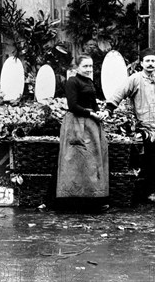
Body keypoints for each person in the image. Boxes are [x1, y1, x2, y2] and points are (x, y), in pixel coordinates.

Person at [105, 48, 155, 203]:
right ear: (142, 63)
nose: (150, 64)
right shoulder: (135, 79)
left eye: (153, 61)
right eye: (147, 61)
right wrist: (109, 108)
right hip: (148, 128)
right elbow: (119, 93)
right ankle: (149, 191)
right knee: (150, 161)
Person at [56, 54, 109, 211]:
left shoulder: (89, 82)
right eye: (85, 66)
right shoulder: (72, 81)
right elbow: (72, 105)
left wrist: (99, 113)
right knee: (75, 162)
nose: (88, 69)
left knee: (91, 162)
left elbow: (93, 103)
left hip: (91, 125)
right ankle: (72, 201)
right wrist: (90, 113)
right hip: (76, 124)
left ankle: (92, 199)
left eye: (91, 66)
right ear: (77, 67)